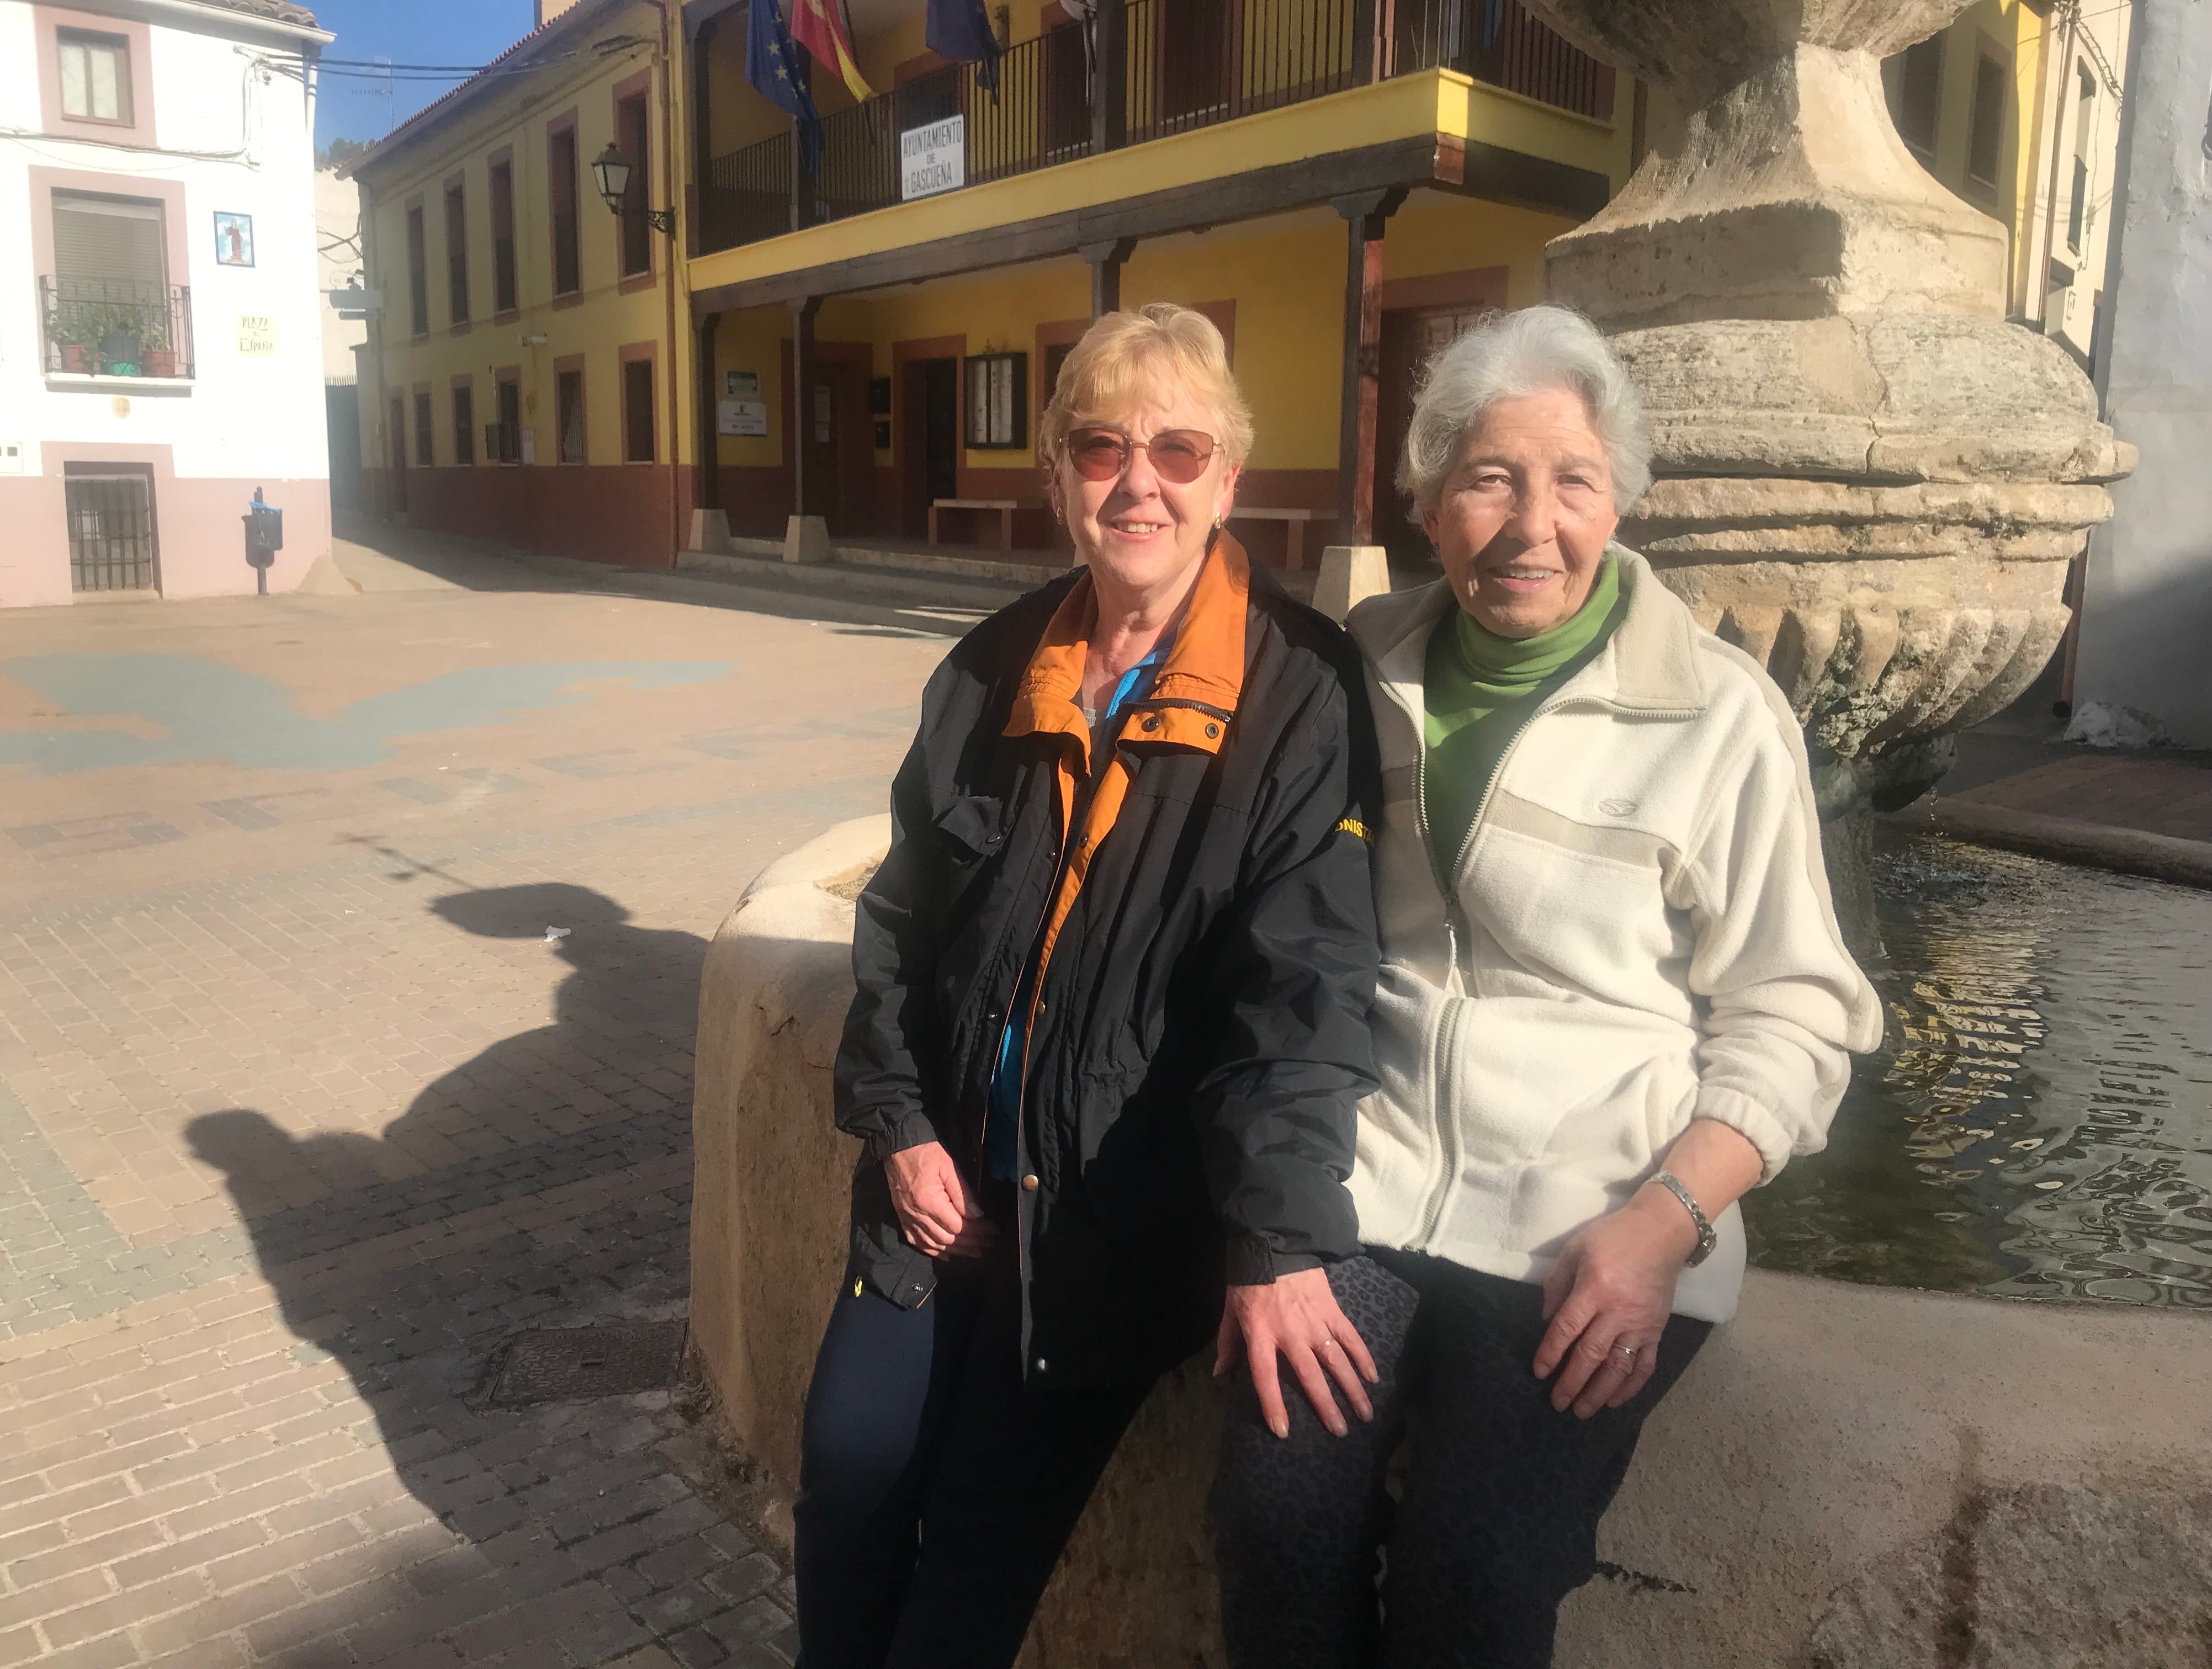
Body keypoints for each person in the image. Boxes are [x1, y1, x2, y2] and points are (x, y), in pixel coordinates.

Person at [1211, 305, 1884, 1669]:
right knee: (1274, 1520)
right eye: (1489, 477)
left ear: (1622, 499)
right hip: (1373, 1179)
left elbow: (1800, 1013)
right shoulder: (1363, 667)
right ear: (1430, 500)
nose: (1532, 524)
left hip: (1597, 1215)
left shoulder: (1717, 713)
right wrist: (1270, 1228)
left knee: (1476, 1575)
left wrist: (1666, 1221)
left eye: (1573, 479)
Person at [797, 303, 1385, 1669]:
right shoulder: (994, 666)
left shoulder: (1301, 691)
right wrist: (900, 1123)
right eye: (1103, 446)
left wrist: (1280, 1235)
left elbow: (1301, 986)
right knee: (848, 1481)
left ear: (1230, 480)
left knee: (973, 1564)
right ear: (1058, 472)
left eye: (1180, 450)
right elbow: (896, 922)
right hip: (936, 1198)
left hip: (1102, 1239)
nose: (1141, 483)